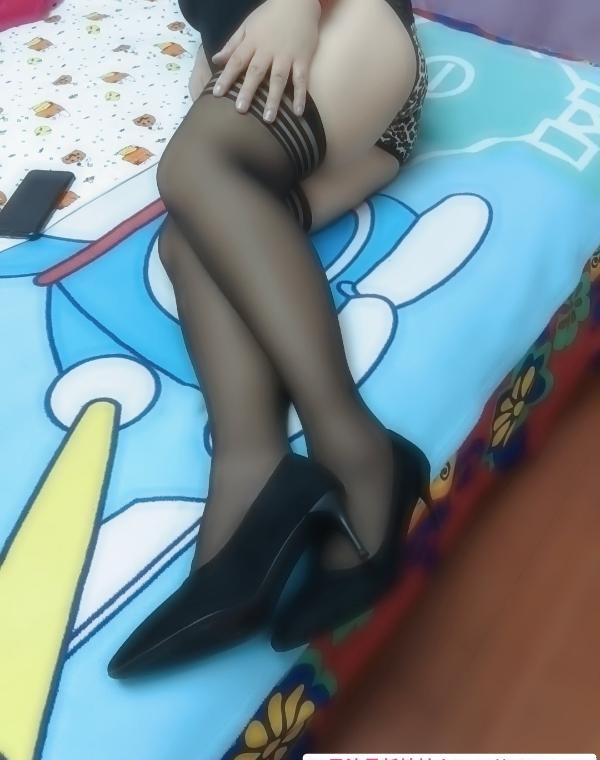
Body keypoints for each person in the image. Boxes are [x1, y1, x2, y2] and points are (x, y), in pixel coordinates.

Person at [108, 0, 430, 679]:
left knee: (196, 167)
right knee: (191, 236)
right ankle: (252, 469)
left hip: (347, 28)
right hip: (290, 65)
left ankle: (358, 450)